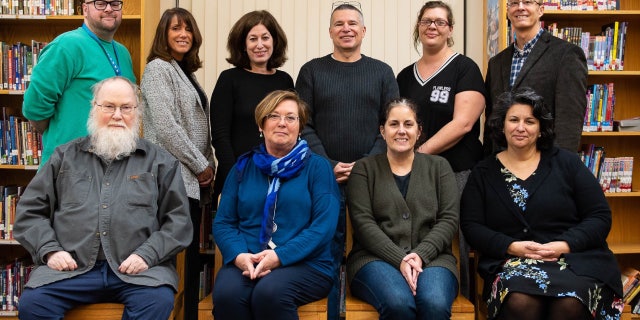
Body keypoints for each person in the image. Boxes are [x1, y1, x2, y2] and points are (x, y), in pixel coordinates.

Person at [13, 76, 193, 320]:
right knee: (34, 305)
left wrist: (146, 254)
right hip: (71, 270)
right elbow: (29, 212)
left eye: (126, 107)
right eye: (109, 106)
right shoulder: (63, 157)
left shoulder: (161, 161)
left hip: (139, 271)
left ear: (136, 112)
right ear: (94, 109)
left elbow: (179, 222)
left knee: (156, 303)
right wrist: (50, 250)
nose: (117, 115)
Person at [460, 88, 623, 320]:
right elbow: (472, 226)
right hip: (512, 262)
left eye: (530, 121)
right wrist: (511, 246)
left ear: (540, 129)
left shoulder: (567, 163)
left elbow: (599, 216)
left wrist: (564, 245)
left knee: (570, 302)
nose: (521, 127)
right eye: (513, 120)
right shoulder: (483, 173)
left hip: (574, 261)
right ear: (502, 125)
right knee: (520, 301)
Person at [295, 3, 399, 318]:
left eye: (352, 23)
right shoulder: (311, 71)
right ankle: (328, 310)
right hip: (323, 175)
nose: (346, 28)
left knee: (370, 244)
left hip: (374, 175)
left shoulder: (382, 72)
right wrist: (328, 164)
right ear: (330, 32)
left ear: (363, 31)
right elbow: (302, 123)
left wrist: (365, 164)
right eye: (339, 24)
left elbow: (392, 124)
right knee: (327, 246)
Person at [212, 90, 340, 320]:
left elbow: (324, 227)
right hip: (248, 259)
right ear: (261, 125)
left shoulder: (318, 168)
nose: (282, 123)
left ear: (300, 128)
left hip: (306, 263)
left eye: (291, 118)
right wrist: (240, 256)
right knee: (227, 295)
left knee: (269, 293)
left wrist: (279, 256)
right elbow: (224, 222)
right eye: (273, 116)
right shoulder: (242, 167)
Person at [396, 0, 485, 298]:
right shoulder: (405, 76)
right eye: (426, 21)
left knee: (455, 241)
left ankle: (459, 302)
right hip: (415, 177)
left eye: (440, 22)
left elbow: (463, 124)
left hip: (456, 173)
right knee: (417, 239)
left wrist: (416, 154)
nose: (432, 27)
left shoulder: (465, 68)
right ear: (418, 28)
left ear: (450, 30)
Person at [346, 98, 460, 320]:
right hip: (373, 259)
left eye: (408, 124)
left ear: (419, 131)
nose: (401, 131)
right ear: (383, 130)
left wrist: (419, 255)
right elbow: (363, 223)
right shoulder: (364, 169)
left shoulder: (439, 167)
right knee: (398, 303)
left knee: (434, 303)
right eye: (393, 124)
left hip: (434, 258)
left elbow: (448, 219)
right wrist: (400, 258)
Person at [139, 7, 214, 320]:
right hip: (172, 177)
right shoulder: (158, 68)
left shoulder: (184, 71)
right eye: (175, 29)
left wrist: (207, 162)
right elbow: (167, 127)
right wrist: (200, 163)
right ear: (163, 35)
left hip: (190, 178)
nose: (183, 34)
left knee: (188, 258)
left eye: (188, 29)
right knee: (174, 258)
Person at [22, 0, 136, 166]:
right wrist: (63, 134)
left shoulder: (123, 53)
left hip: (110, 170)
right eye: (101, 3)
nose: (109, 9)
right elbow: (34, 109)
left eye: (115, 3)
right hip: (69, 168)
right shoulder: (66, 46)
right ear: (85, 9)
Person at [210, 10, 294, 207]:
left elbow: (292, 129)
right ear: (243, 45)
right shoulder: (229, 79)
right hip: (238, 176)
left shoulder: (285, 80)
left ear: (274, 41)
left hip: (277, 176)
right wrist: (236, 177)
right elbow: (220, 136)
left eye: (265, 37)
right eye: (252, 39)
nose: (260, 45)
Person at [484, 0, 587, 155]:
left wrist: (559, 168)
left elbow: (569, 121)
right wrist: (488, 163)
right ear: (507, 11)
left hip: (545, 163)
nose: (520, 7)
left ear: (541, 10)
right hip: (502, 163)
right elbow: (491, 119)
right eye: (514, 3)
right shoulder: (496, 62)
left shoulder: (566, 54)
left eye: (527, 2)